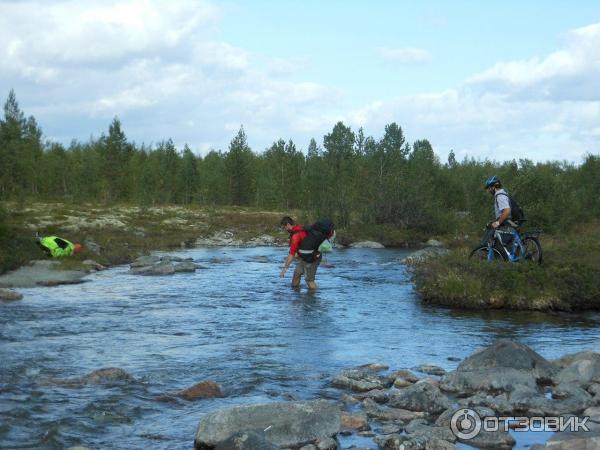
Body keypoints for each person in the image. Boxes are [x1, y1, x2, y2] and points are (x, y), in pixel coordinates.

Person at [279, 216, 319, 290]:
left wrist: (284, 269)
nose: (284, 230)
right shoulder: (299, 227)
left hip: (312, 257)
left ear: (288, 224)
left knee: (309, 280)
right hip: (305, 257)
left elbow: (291, 255)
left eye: (284, 228)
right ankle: (296, 298)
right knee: (296, 274)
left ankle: (314, 298)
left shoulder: (296, 235)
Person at [484, 175, 516, 245]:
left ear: (493, 187)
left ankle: (491, 254)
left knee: (489, 239)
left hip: (506, 223)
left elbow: (507, 211)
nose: (488, 190)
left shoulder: (500, 196)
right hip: (506, 222)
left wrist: (497, 223)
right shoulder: (503, 194)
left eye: (489, 188)